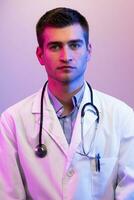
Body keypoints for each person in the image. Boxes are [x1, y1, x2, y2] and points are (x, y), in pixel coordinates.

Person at [0, 7, 134, 200]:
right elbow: (8, 195)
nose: (66, 56)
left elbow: (130, 192)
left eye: (74, 45)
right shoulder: (12, 121)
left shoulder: (122, 116)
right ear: (40, 55)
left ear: (88, 51)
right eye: (55, 46)